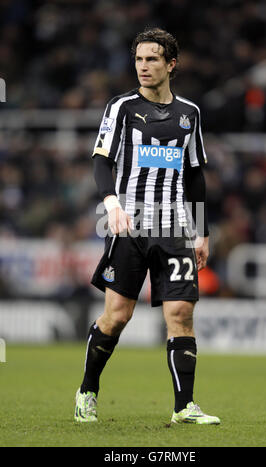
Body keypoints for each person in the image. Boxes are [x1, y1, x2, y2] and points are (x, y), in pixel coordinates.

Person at [74, 27, 220, 426]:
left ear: (171, 64)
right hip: (128, 224)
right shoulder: (121, 108)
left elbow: (195, 176)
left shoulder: (190, 114)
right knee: (117, 316)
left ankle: (184, 407)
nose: (143, 66)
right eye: (139, 59)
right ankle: (87, 390)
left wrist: (202, 231)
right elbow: (101, 160)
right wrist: (111, 203)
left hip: (174, 226)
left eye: (152, 59)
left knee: (181, 314)